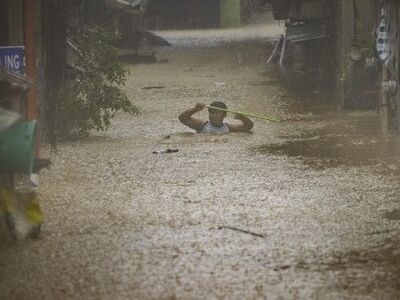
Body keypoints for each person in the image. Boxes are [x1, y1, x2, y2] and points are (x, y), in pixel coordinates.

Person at [178, 101, 254, 134]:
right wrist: (194, 109)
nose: (214, 115)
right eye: (211, 113)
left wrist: (242, 118)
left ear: (224, 115)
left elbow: (248, 126)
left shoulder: (229, 127)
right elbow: (182, 118)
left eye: (217, 113)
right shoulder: (202, 124)